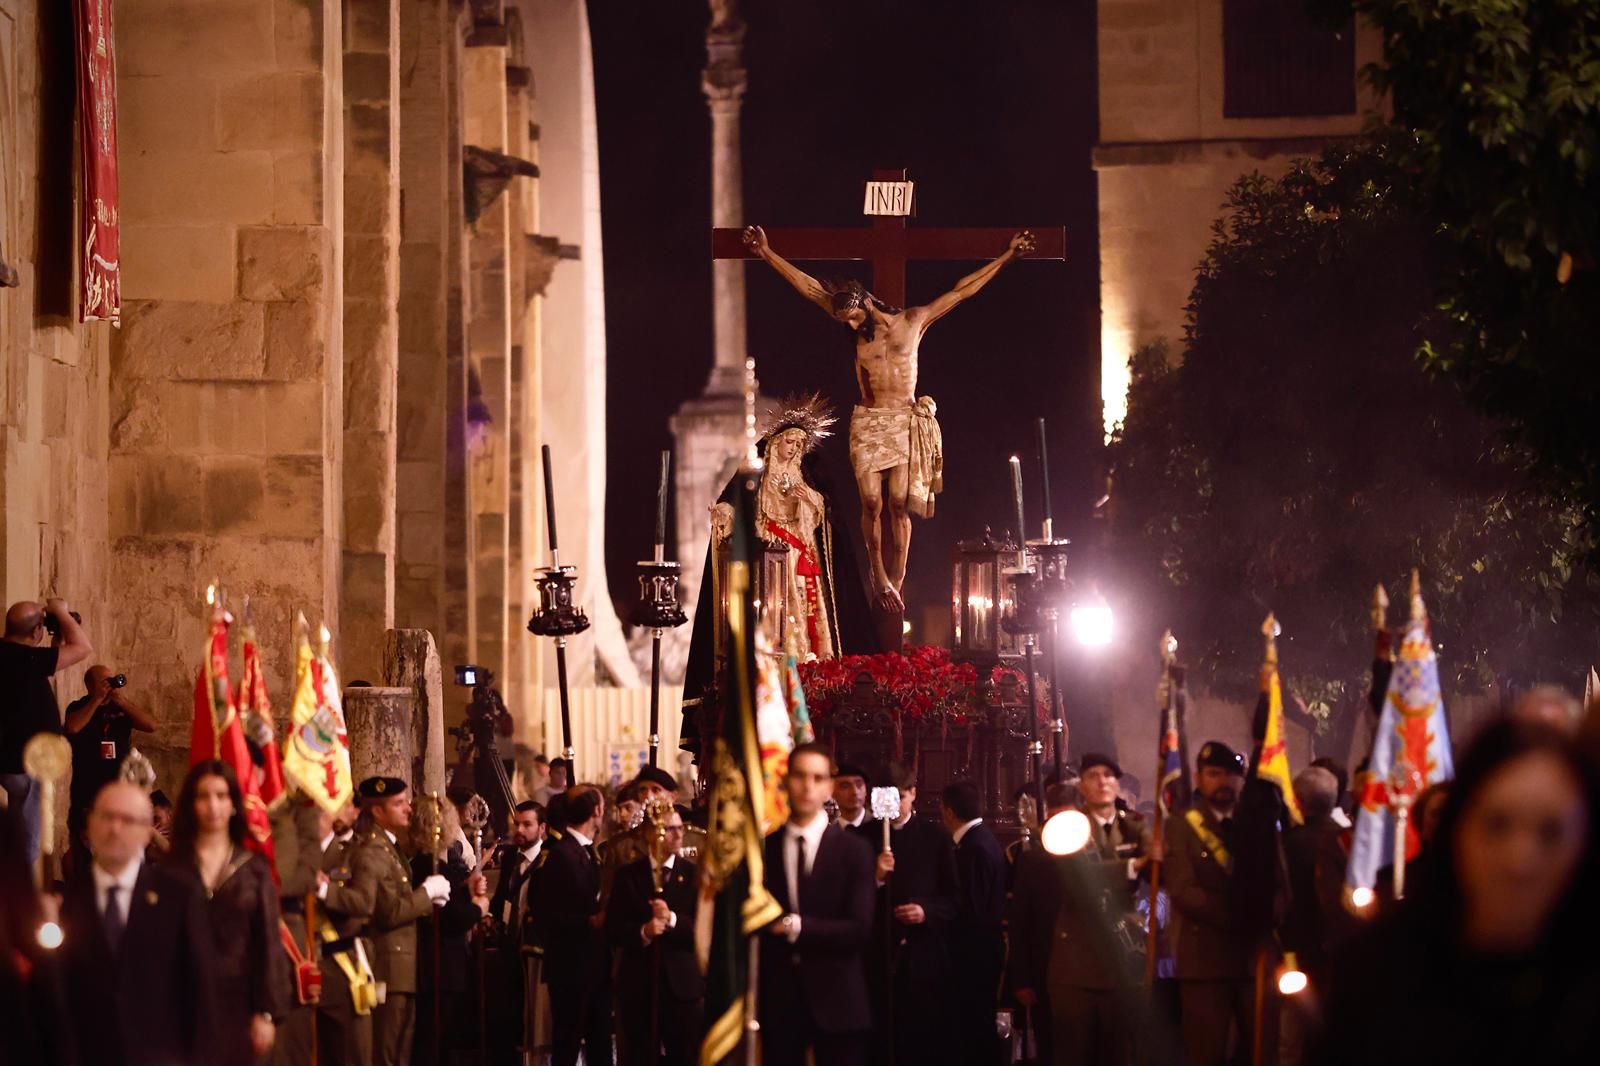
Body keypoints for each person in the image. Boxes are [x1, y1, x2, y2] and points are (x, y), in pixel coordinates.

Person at [743, 225, 1037, 611]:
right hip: (868, 419)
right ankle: (877, 571)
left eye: (852, 317)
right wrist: (766, 253)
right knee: (870, 501)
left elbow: (961, 291)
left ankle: (898, 576)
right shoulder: (854, 329)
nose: (849, 325)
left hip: (901, 419)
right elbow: (812, 289)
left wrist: (1007, 257)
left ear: (865, 303)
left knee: (898, 502)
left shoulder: (913, 322)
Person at [1313, 717, 1600, 1065]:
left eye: (1550, 832)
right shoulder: (1377, 973)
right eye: (1498, 825)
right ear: (1460, 830)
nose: (1520, 861)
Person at [59, 780, 217, 1066]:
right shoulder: (72, 898)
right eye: (107, 817)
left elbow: (199, 985)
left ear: (147, 832)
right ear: (90, 826)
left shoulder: (177, 895)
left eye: (128, 820)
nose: (115, 829)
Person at [1165, 741, 1281, 1066]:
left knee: (1262, 1052)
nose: (1223, 782)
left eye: (1231, 775)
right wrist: (1241, 916)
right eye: (1214, 774)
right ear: (1199, 779)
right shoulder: (1181, 825)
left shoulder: (1259, 825)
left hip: (1255, 960)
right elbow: (1183, 889)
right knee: (1207, 1053)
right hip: (1205, 963)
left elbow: (1280, 883)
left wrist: (1270, 913)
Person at [759, 742, 876, 1066]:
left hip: (839, 1002)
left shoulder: (855, 851)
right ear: (786, 781)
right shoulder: (764, 850)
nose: (807, 786)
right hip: (779, 1002)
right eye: (799, 776)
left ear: (829, 787)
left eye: (817, 777)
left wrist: (796, 926)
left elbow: (859, 928)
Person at [170, 760, 290, 1064]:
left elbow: (268, 942)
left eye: (221, 796)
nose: (213, 806)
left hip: (239, 1003)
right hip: (184, 1002)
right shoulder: (173, 868)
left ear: (234, 804)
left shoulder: (253, 869)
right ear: (191, 803)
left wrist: (266, 1011)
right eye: (203, 796)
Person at [349, 776, 453, 1066]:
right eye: (398, 804)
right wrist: (425, 894)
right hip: (388, 964)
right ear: (377, 811)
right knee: (387, 1050)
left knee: (400, 1051)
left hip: (403, 967)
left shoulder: (388, 848)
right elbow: (387, 912)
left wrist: (427, 901)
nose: (408, 808)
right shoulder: (373, 851)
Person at [860, 763, 959, 1064]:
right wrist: (875, 878)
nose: (893, 807)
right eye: (885, 799)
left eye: (899, 798)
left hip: (922, 956)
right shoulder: (861, 837)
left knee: (920, 1039)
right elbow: (845, 898)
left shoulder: (935, 837)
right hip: (875, 955)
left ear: (913, 793)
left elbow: (954, 898)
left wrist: (926, 911)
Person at [605, 803, 704, 1066]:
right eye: (669, 829)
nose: (678, 834)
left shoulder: (694, 875)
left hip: (682, 987)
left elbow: (704, 929)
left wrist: (672, 919)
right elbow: (612, 929)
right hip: (640, 986)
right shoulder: (628, 876)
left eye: (680, 828)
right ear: (650, 833)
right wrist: (644, 931)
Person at [0, 597, 92, 862]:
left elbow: (36, 673)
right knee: (29, 839)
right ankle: (22, 886)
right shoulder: (26, 659)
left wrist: (55, 642)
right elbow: (83, 648)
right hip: (27, 765)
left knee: (15, 835)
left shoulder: (14, 657)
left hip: (9, 760)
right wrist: (61, 612)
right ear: (36, 631)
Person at [531, 784, 612, 1066]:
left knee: (600, 1044)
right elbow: (546, 915)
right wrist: (590, 921)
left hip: (596, 966)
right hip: (571, 969)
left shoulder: (588, 852)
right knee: (567, 1044)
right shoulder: (561, 854)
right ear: (597, 811)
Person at [410, 796, 491, 1066]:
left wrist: (466, 890)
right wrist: (478, 908)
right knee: (436, 1039)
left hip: (442, 965)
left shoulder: (424, 864)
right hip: (441, 965)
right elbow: (451, 917)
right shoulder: (431, 866)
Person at [942, 778, 1007, 1066]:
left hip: (974, 953)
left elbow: (972, 907)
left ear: (949, 812)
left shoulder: (975, 847)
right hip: (978, 950)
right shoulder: (980, 839)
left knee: (975, 1026)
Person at [64, 665, 156, 827]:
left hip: (120, 785)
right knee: (86, 830)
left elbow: (151, 726)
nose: (109, 685)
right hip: (88, 785)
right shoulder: (79, 706)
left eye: (110, 679)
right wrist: (96, 700)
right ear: (90, 686)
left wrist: (122, 702)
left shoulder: (121, 707)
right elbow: (72, 727)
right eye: (104, 682)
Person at [832, 762, 872, 830]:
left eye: (859, 785)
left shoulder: (883, 828)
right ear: (831, 791)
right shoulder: (824, 830)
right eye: (845, 786)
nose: (855, 792)